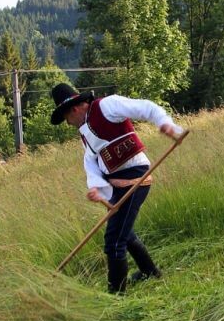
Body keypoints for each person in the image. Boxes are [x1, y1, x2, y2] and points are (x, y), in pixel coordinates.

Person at [50, 83, 182, 294]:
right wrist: (95, 186)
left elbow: (145, 107)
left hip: (135, 179)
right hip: (115, 185)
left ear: (73, 110)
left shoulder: (107, 106)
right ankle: (150, 272)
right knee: (124, 233)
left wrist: (165, 123)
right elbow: (90, 160)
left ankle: (116, 295)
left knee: (114, 241)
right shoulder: (84, 131)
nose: (68, 124)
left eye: (66, 119)